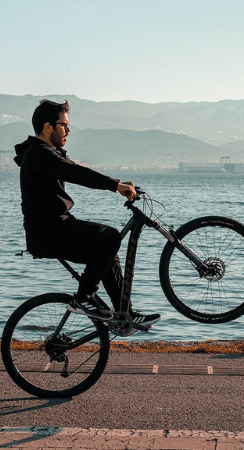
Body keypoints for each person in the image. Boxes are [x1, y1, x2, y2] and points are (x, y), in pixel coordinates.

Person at [13, 99, 160, 327]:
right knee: (109, 237)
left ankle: (125, 313)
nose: (68, 130)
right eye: (64, 125)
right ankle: (84, 298)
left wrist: (120, 184)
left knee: (107, 252)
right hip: (48, 233)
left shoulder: (49, 152)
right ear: (47, 126)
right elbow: (76, 173)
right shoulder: (39, 154)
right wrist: (115, 185)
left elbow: (78, 170)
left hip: (55, 227)